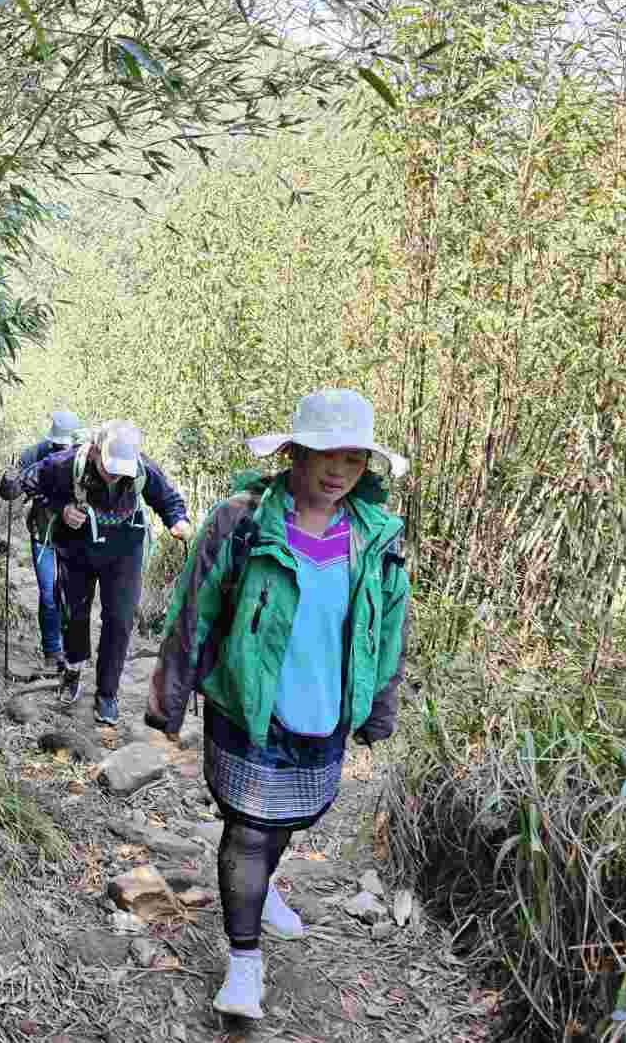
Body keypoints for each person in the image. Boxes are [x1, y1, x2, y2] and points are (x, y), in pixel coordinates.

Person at [146, 388, 411, 1020]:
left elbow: (389, 628)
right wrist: (167, 703)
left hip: (324, 711)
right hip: (247, 707)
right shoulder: (241, 521)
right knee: (248, 828)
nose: (339, 470)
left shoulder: (375, 537)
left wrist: (379, 706)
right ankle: (244, 963)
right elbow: (196, 608)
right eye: (326, 453)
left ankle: (260, 891)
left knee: (295, 817)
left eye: (354, 458)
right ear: (292, 452)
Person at [1, 420, 193, 726]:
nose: (115, 474)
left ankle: (107, 693)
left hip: (124, 551)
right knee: (74, 614)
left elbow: (167, 498)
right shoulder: (66, 463)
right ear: (93, 451)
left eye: (121, 469)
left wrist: (177, 520)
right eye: (109, 467)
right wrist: (60, 507)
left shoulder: (141, 467)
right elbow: (30, 485)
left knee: (120, 618)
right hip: (76, 549)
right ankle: (73, 669)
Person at [0, 410, 84, 672]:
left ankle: (71, 653)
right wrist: (9, 481)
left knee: (71, 594)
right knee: (49, 593)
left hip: (75, 538)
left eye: (65, 446)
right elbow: (8, 491)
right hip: (43, 533)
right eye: (58, 446)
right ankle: (52, 651)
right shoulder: (34, 454)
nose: (61, 450)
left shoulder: (85, 458)